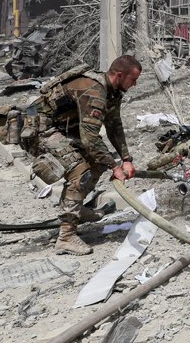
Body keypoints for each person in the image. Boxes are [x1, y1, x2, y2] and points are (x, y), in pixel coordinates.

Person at [38, 54, 142, 255]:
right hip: (42, 129)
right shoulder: (95, 91)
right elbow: (90, 139)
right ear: (119, 75)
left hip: (65, 128)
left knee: (99, 160)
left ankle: (75, 207)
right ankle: (66, 237)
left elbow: (114, 126)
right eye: (133, 79)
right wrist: (115, 166)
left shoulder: (113, 92)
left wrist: (126, 159)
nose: (135, 85)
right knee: (80, 169)